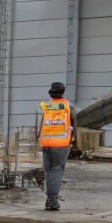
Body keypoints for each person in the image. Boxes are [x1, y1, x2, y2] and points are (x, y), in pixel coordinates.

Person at [38, 82, 72, 211]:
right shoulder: (68, 106)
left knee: (48, 170)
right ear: (63, 92)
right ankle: (53, 200)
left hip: (47, 142)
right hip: (62, 143)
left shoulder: (47, 106)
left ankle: (49, 200)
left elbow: (42, 124)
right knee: (57, 170)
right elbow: (74, 124)